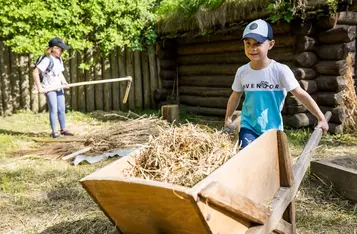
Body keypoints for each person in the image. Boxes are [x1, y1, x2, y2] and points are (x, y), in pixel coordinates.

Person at [225, 19, 328, 148]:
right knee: (248, 157)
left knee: (270, 164)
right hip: (248, 127)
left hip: (272, 129)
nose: (252, 48)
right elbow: (235, 96)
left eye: (258, 43)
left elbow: (300, 94)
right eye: (248, 43)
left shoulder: (280, 71)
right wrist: (228, 118)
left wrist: (321, 118)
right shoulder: (242, 72)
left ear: (271, 44)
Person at [33, 37, 74, 138]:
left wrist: (64, 82)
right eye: (61, 49)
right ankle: (54, 131)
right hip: (49, 88)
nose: (62, 51)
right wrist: (39, 87)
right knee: (54, 109)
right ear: (54, 48)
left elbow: (59, 73)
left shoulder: (59, 59)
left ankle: (63, 129)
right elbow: (35, 72)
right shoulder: (47, 60)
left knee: (61, 109)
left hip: (58, 87)